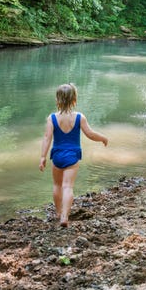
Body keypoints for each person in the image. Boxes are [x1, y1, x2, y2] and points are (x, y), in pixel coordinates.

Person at [39, 82, 108, 227]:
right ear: (74, 100)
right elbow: (90, 134)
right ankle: (65, 216)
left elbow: (47, 138)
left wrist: (42, 157)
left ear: (57, 100)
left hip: (57, 156)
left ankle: (58, 213)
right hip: (72, 157)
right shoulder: (79, 117)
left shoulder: (51, 118)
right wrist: (102, 138)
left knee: (57, 185)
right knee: (68, 186)